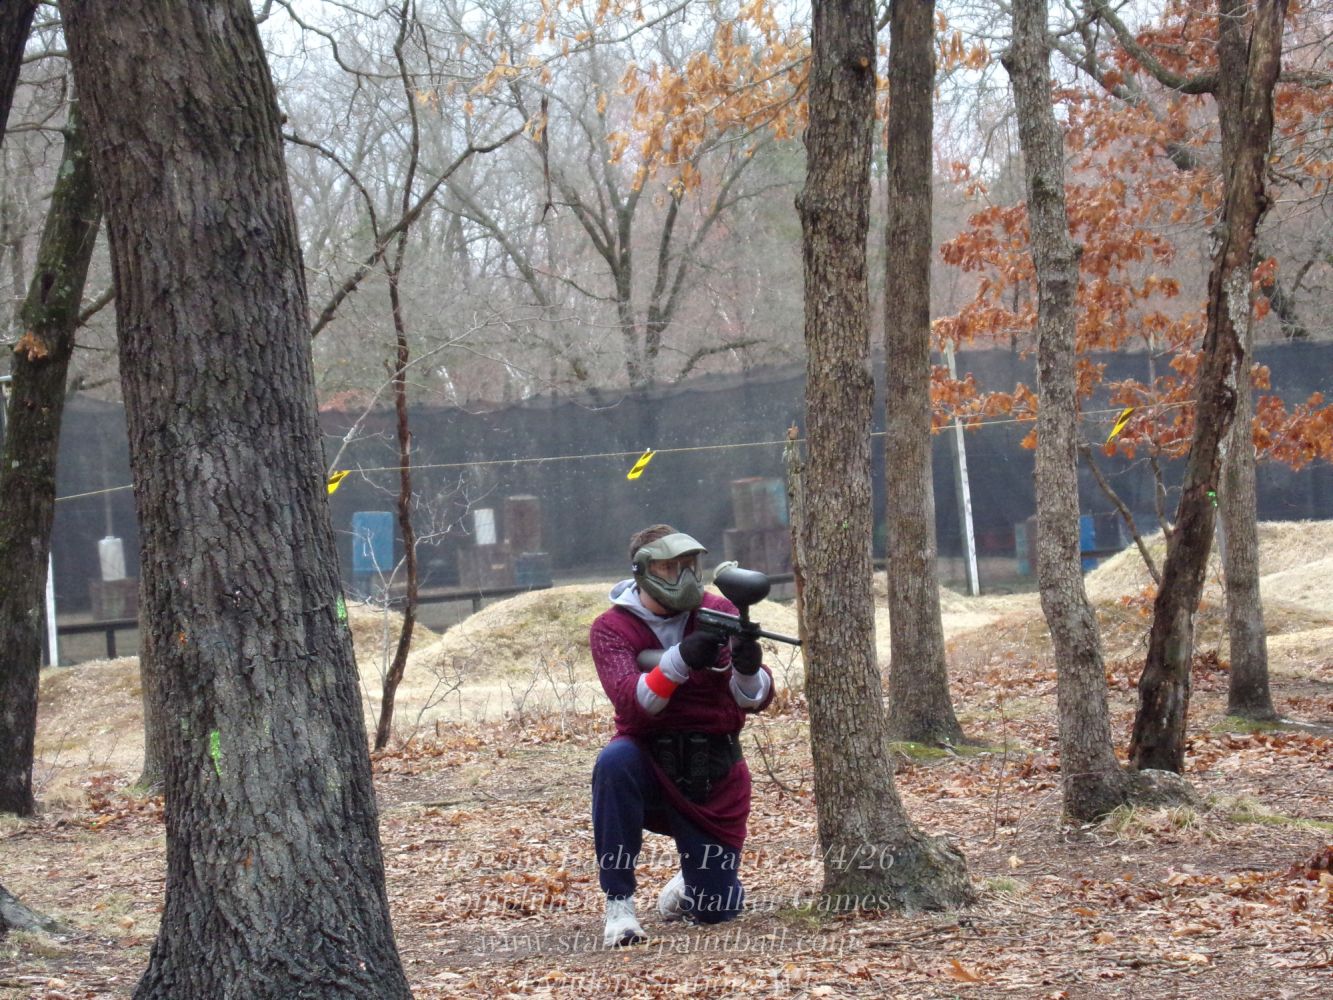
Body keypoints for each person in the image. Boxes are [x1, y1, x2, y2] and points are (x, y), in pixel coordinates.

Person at [588, 524, 775, 947]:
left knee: (717, 910)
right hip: (648, 765)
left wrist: (748, 669)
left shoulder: (719, 610)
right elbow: (633, 703)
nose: (684, 576)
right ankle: (619, 906)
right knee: (614, 763)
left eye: (690, 565)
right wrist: (680, 660)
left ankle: (692, 882)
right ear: (642, 571)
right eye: (670, 568)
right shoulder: (612, 628)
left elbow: (752, 700)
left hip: (713, 772)